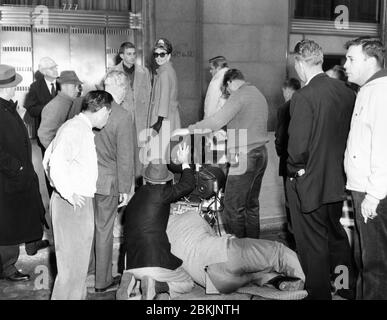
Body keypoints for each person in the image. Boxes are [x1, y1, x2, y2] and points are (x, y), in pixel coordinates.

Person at [287, 39, 356, 300]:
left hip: (309, 183)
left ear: (299, 63)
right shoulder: (346, 92)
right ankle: (344, 288)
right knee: (336, 237)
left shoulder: (304, 96)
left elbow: (297, 149)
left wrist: (298, 171)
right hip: (336, 182)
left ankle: (319, 296)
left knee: (312, 246)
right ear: (320, 59)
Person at [173, 69, 269, 239]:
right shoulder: (257, 93)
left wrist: (190, 129)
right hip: (261, 153)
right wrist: (228, 133)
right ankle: (254, 250)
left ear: (230, 82)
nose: (227, 94)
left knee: (233, 208)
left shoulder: (239, 95)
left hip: (244, 156)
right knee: (251, 206)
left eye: (226, 90)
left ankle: (237, 255)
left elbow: (216, 120)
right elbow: (249, 123)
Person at [43, 90, 113, 300]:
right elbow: (53, 164)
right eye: (108, 113)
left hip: (75, 203)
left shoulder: (78, 127)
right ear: (100, 111)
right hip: (72, 205)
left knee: (77, 268)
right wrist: (68, 193)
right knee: (71, 270)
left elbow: (48, 158)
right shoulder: (75, 129)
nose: (108, 118)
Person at [116, 144, 195, 300]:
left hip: (129, 264)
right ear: (165, 180)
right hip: (153, 260)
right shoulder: (162, 193)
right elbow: (188, 185)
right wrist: (185, 162)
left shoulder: (135, 198)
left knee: (143, 278)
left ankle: (131, 281)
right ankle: (157, 287)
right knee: (187, 283)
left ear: (146, 178)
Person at [167, 210, 305, 296]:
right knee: (277, 252)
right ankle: (310, 282)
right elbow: (213, 237)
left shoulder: (162, 243)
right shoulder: (189, 215)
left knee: (251, 275)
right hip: (224, 256)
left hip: (213, 283)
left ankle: (277, 281)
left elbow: (183, 280)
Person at [343, 36, 387, 300]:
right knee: (364, 260)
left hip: (373, 194)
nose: (345, 65)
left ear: (370, 61)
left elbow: (384, 146)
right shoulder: (368, 90)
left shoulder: (381, 93)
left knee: (375, 265)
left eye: (351, 59)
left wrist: (374, 195)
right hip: (363, 189)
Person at [89, 71, 135, 293]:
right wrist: (126, 188)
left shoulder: (90, 106)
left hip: (88, 179)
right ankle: (102, 281)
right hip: (108, 182)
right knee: (104, 231)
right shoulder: (123, 115)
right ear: (118, 87)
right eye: (125, 88)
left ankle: (88, 271)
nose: (126, 93)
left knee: (91, 227)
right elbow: (125, 157)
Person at [0, 64, 45, 282]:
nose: (15, 89)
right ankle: (7, 268)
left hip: (15, 176)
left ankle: (13, 260)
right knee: (8, 224)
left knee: (15, 221)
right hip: (7, 178)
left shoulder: (7, 107)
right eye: (12, 86)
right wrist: (15, 167)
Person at [109, 42, 151, 186]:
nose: (132, 57)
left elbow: (150, 96)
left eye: (134, 54)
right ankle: (126, 186)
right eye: (129, 54)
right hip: (123, 117)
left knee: (140, 155)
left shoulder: (144, 72)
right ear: (121, 55)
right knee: (124, 153)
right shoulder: (112, 72)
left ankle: (139, 185)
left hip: (140, 120)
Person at [25, 57, 58, 199]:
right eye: (52, 68)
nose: (56, 70)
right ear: (44, 72)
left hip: (65, 131)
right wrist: (49, 108)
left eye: (56, 66)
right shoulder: (35, 87)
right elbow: (31, 109)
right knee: (49, 167)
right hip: (46, 134)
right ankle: (53, 199)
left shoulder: (64, 83)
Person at [274, 78, 301, 249]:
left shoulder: (285, 108)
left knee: (290, 202)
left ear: (286, 90)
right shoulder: (304, 103)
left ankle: (292, 239)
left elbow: (280, 136)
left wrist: (280, 152)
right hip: (303, 163)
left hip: (288, 161)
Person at [38, 70, 83, 149]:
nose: (78, 90)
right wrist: (58, 153)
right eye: (75, 86)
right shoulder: (54, 106)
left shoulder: (72, 102)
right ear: (65, 86)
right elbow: (44, 135)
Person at [148, 38, 181, 135]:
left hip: (162, 119)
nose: (158, 57)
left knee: (160, 148)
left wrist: (158, 122)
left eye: (162, 54)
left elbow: (164, 98)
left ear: (169, 56)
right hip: (169, 116)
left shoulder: (164, 73)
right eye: (156, 54)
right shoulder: (169, 70)